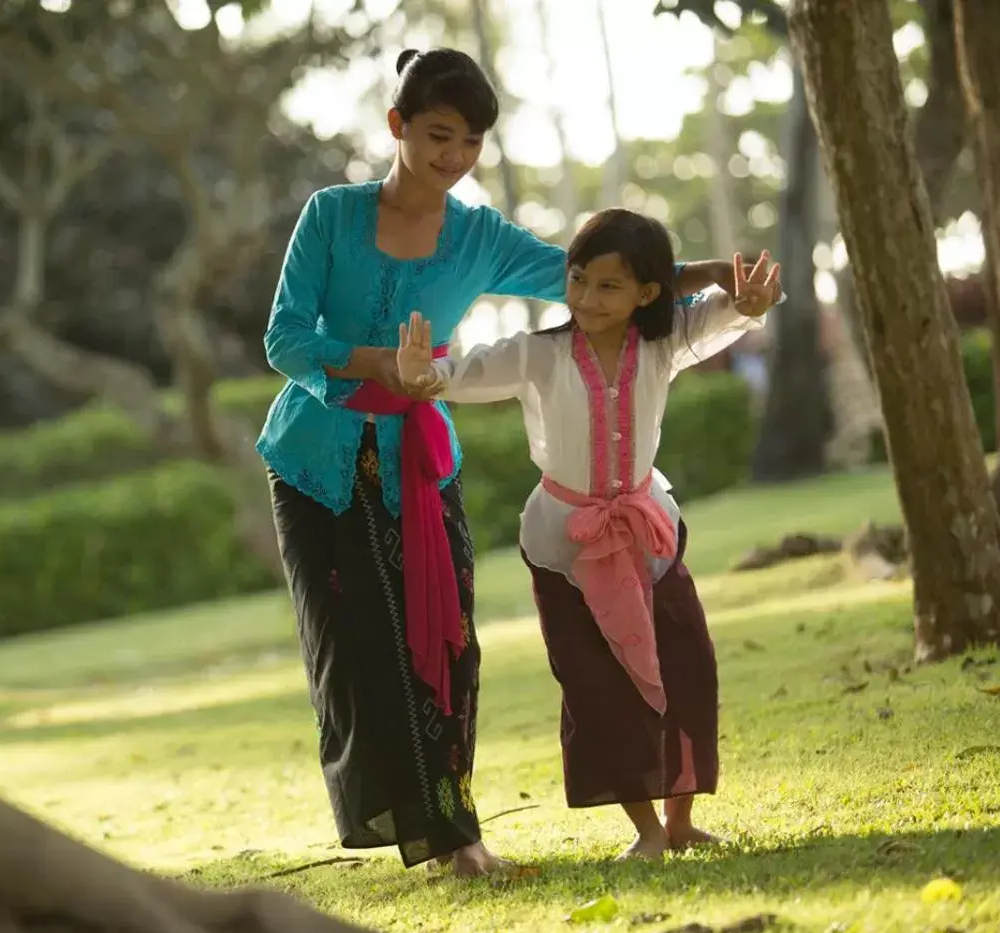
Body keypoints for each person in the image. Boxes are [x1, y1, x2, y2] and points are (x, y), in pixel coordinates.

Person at [258, 47, 741, 878]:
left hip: (419, 458)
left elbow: (590, 274)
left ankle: (456, 832)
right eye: (439, 135)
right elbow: (284, 340)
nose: (454, 157)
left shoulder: (478, 235)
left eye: (471, 142)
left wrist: (714, 277)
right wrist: (380, 365)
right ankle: (424, 833)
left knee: (445, 647)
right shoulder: (330, 214)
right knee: (358, 651)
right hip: (313, 462)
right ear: (396, 127)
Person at [395, 208, 781, 861]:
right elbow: (465, 372)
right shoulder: (539, 354)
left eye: (607, 287)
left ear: (647, 293)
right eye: (578, 281)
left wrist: (746, 300)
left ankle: (679, 820)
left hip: (647, 537)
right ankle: (647, 832)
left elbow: (731, 312)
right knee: (597, 687)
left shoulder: (663, 342)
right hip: (565, 548)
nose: (586, 298)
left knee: (686, 669)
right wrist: (423, 376)